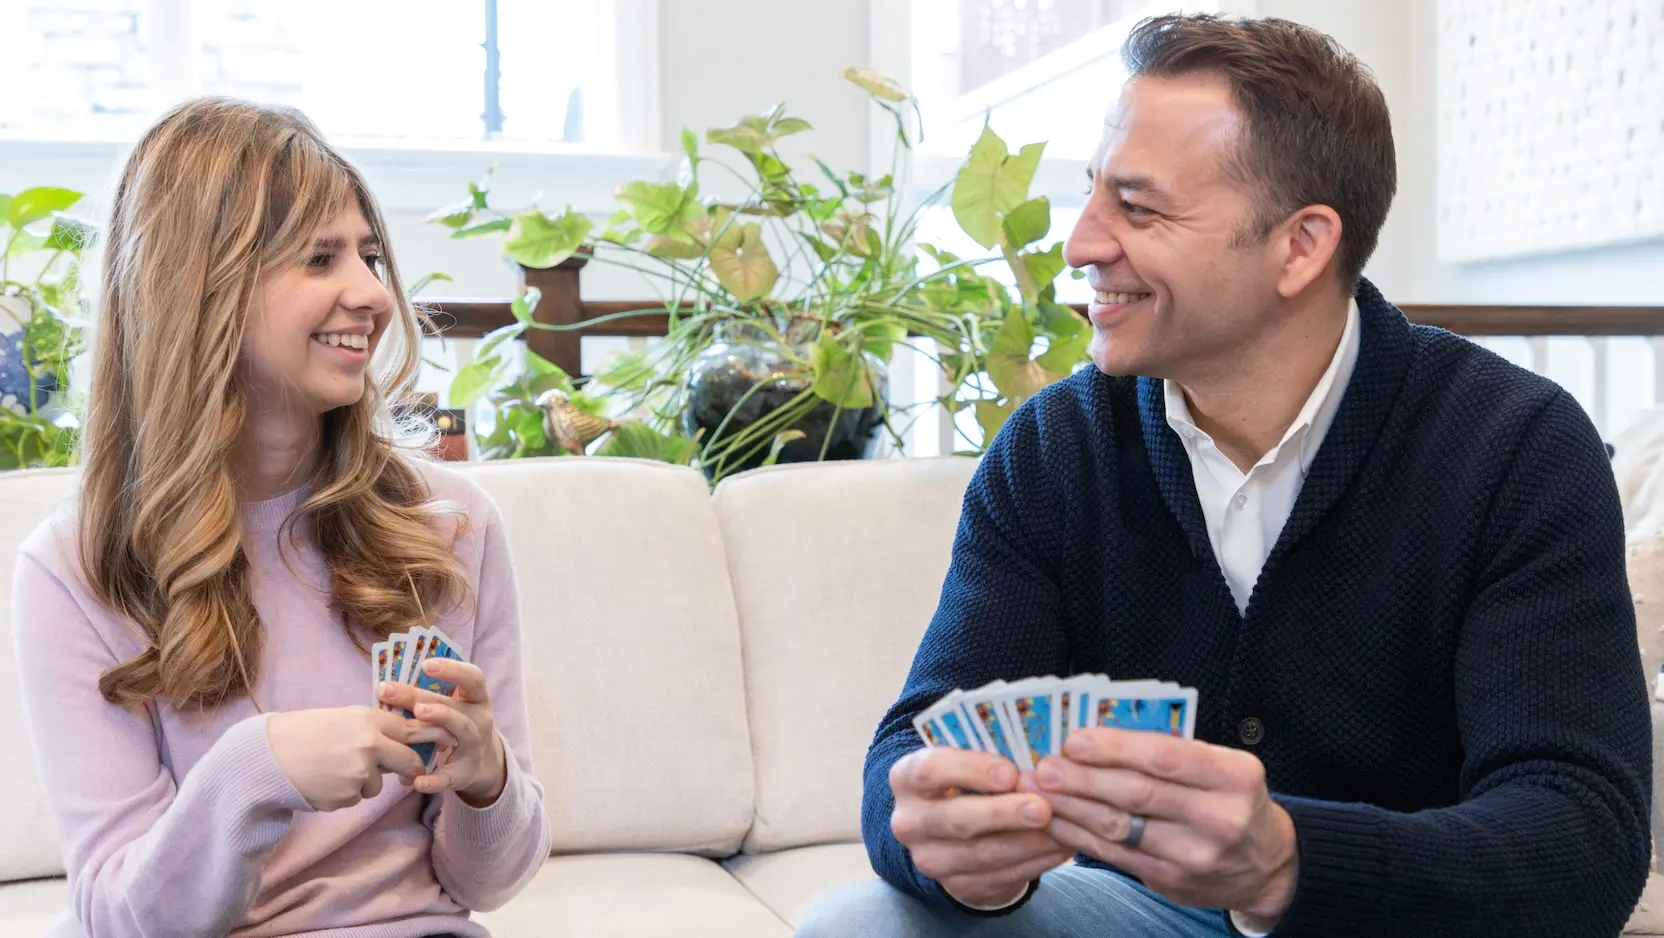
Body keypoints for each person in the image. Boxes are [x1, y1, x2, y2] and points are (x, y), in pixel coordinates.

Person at [798, 13, 1651, 938]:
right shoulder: (1055, 448)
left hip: (1403, 920)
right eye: (1092, 195)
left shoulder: (1515, 446)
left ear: (1301, 245)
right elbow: (920, 736)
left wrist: (1288, 863)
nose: (1081, 245)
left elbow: (1584, 839)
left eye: (1139, 208)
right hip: (1141, 912)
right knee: (861, 924)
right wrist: (945, 843)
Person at [12, 98, 549, 937]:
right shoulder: (75, 568)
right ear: (201, 291)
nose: (372, 293)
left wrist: (488, 779)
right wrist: (255, 772)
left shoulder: (451, 524)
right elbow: (124, 920)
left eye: (370, 255)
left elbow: (486, 882)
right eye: (320, 257)